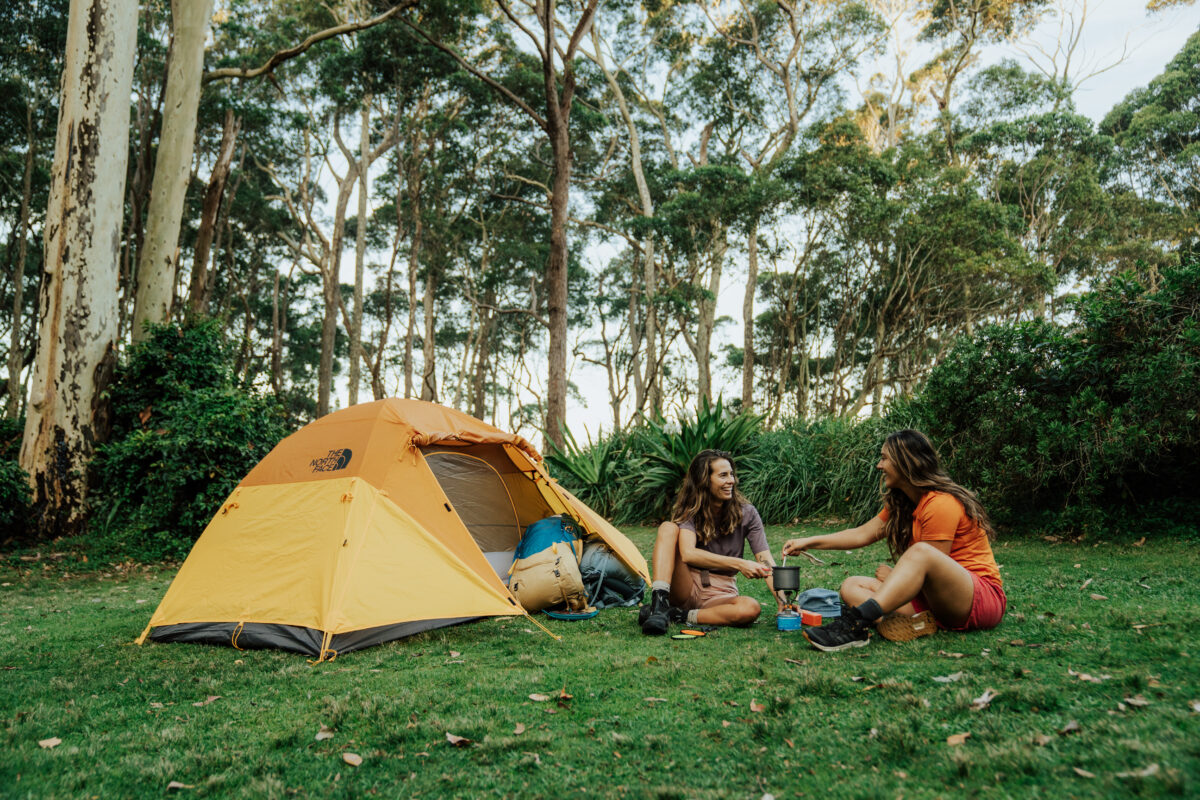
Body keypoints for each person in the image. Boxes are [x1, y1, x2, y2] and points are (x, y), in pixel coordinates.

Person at [782, 429, 1006, 652]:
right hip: (935, 605)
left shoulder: (940, 504)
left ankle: (856, 624)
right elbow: (861, 534)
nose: (879, 466)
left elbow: (932, 569)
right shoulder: (904, 504)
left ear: (905, 462)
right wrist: (807, 541)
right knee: (851, 586)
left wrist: (894, 577)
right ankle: (917, 623)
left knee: (921, 552)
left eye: (884, 458)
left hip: (976, 600)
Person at [639, 449, 784, 635]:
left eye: (731, 474)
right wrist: (740, 563)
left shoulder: (747, 513)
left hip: (720, 592)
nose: (731, 480)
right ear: (704, 480)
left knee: (750, 608)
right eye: (723, 475)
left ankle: (676, 615)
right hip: (686, 584)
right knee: (668, 527)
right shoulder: (690, 510)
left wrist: (783, 601)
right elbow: (688, 554)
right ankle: (659, 605)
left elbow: (766, 560)